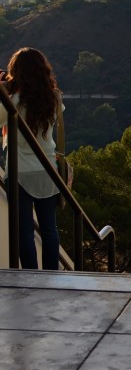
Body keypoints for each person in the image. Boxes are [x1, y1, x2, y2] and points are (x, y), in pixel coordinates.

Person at [1, 47, 63, 271]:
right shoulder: (52, 98)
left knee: (24, 231)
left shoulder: (13, 101)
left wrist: (4, 89)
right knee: (49, 229)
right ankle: (51, 275)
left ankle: (30, 275)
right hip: (48, 169)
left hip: (20, 172)